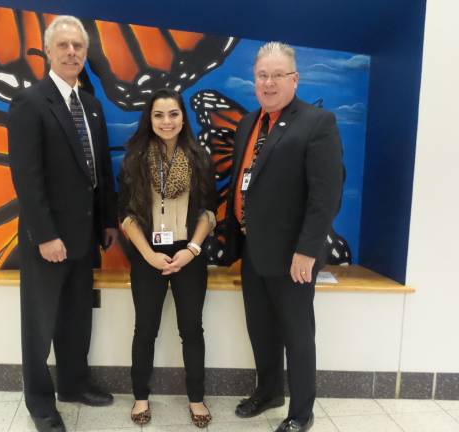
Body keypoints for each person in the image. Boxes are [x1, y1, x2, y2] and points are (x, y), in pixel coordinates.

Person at [6, 15, 118, 432]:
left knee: (76, 316)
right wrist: (46, 235)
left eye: (79, 47)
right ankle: (40, 401)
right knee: (40, 323)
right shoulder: (30, 104)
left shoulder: (89, 104)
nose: (72, 52)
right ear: (48, 52)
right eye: (64, 46)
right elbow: (27, 178)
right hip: (48, 239)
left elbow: (100, 168)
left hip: (86, 235)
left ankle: (74, 383)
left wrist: (107, 220)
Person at [225, 42, 344, 432]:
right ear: (254, 80)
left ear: (295, 79)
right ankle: (269, 391)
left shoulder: (316, 122)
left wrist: (307, 250)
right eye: (262, 75)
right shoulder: (249, 123)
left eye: (278, 75)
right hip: (252, 251)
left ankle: (301, 412)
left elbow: (326, 195)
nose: (269, 82)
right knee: (260, 329)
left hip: (293, 257)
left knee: (297, 335)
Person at [118, 88, 217, 428]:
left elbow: (208, 211)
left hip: (189, 253)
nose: (166, 121)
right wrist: (148, 255)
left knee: (192, 329)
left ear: (183, 117)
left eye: (173, 114)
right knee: (145, 329)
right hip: (148, 255)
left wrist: (191, 250)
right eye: (159, 115)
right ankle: (140, 397)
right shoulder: (135, 159)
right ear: (150, 118)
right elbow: (127, 216)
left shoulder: (200, 158)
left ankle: (196, 398)